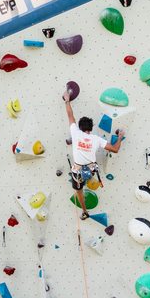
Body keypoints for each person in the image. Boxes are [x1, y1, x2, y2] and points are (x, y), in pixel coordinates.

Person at [63, 88, 124, 218]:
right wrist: (120, 137)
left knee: (78, 190)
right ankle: (92, 180)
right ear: (91, 129)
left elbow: (70, 115)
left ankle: (84, 210)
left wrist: (67, 100)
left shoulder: (75, 132)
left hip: (77, 171)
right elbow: (115, 149)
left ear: (80, 127)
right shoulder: (97, 139)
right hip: (90, 169)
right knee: (90, 173)